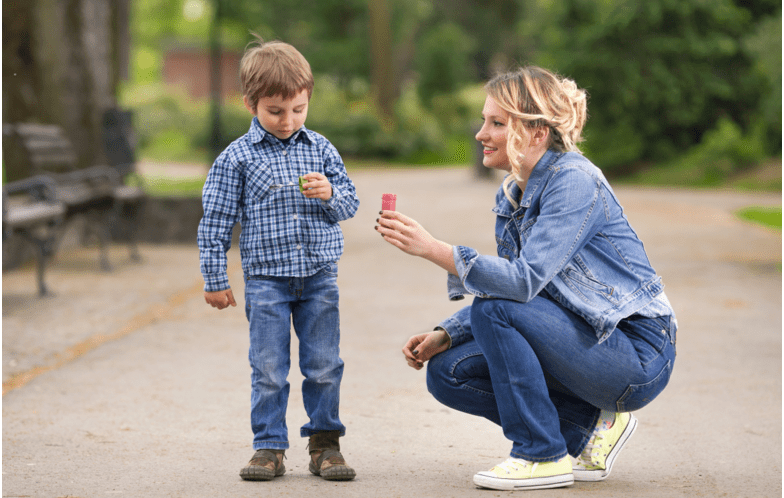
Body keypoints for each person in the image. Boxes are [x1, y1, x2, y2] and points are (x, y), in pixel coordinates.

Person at [375, 66, 677, 491]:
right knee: (448, 371)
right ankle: (592, 430)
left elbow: (520, 284)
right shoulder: (514, 191)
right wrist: (447, 333)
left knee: (495, 308)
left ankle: (542, 455)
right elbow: (521, 295)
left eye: (496, 123)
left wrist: (434, 249)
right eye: (485, 120)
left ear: (536, 133)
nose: (481, 133)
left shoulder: (574, 181)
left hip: (636, 352)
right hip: (584, 339)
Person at [198, 37, 359, 482]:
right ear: (251, 104)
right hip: (267, 281)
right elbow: (215, 222)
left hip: (319, 277)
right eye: (275, 111)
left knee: (324, 364)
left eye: (298, 110)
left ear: (308, 101)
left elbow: (350, 204)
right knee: (268, 367)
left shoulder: (322, 149)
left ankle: (325, 445)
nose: (288, 121)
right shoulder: (236, 158)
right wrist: (215, 278)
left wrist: (331, 194)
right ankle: (268, 446)